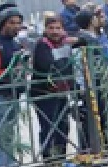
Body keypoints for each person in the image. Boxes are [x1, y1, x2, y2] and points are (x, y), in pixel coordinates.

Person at [31, 15, 76, 159]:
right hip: (44, 93)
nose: (55, 31)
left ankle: (61, 156)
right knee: (48, 127)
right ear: (45, 29)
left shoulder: (65, 43)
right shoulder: (42, 45)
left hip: (61, 91)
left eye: (58, 28)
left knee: (63, 125)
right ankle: (49, 158)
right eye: (51, 28)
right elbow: (49, 67)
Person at [0, 6, 26, 167]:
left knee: (10, 131)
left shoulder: (16, 43)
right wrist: (12, 71)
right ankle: (3, 166)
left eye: (18, 23)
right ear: (3, 24)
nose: (16, 26)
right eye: (12, 23)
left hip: (14, 94)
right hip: (1, 94)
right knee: (1, 132)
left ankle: (11, 163)